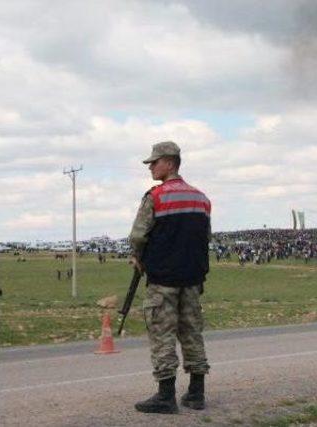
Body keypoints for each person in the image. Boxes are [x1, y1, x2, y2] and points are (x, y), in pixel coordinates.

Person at [129, 141, 212, 414]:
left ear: (170, 162)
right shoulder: (201, 198)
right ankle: (196, 393)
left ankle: (166, 396)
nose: (151, 167)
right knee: (192, 333)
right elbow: (204, 237)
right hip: (192, 278)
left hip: (163, 278)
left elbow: (138, 235)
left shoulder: (156, 196)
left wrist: (138, 258)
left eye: (154, 162)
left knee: (162, 335)